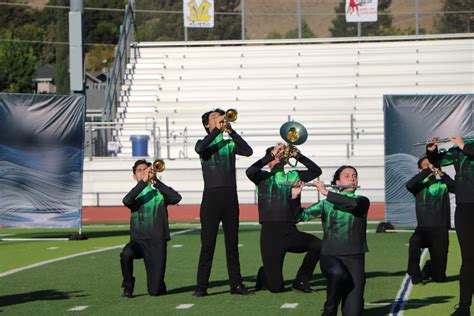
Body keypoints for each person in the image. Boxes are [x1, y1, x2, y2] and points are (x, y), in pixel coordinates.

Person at [290, 166, 370, 316]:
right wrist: (295, 196)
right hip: (330, 255)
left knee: (353, 313)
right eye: (347, 176)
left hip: (355, 258)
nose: (352, 178)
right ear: (338, 182)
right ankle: (329, 311)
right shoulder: (326, 204)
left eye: (354, 175)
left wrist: (327, 193)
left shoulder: (362, 201)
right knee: (338, 273)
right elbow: (299, 217)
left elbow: (352, 205)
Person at [246, 143, 322, 293]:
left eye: (281, 155)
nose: (278, 158)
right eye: (275, 157)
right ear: (268, 161)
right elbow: (250, 171)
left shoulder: (293, 176)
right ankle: (264, 273)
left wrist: (298, 156)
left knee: (319, 245)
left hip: (290, 231)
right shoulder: (261, 177)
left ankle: (301, 281)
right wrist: (272, 154)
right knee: (275, 288)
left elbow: (316, 171)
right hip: (270, 235)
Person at [193, 108, 253, 297]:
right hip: (211, 198)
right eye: (214, 117)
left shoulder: (229, 144)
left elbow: (248, 151)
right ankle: (201, 286)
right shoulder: (203, 143)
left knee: (232, 243)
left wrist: (231, 131)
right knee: (208, 244)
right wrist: (218, 130)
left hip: (230, 197)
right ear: (206, 124)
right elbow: (200, 149)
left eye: (220, 116)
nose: (219, 118)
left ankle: (236, 284)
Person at [119, 159, 182, 298]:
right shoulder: (135, 193)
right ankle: (128, 285)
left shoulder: (159, 192)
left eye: (145, 170)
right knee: (125, 254)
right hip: (138, 241)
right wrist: (142, 183)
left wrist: (155, 182)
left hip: (157, 242)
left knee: (155, 291)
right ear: (134, 176)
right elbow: (126, 200)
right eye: (139, 171)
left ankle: (159, 284)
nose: (143, 173)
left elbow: (176, 198)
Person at [426, 135, 474, 316]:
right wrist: (432, 151)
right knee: (469, 260)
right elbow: (438, 161)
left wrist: (462, 144)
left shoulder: (465, 146)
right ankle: (464, 308)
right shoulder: (459, 150)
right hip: (465, 209)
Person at [405, 156, 455, 285]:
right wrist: (427, 171)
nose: (430, 167)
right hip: (423, 229)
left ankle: (429, 267)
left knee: (439, 278)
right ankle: (415, 273)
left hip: (440, 230)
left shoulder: (442, 184)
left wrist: (441, 173)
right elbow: (409, 184)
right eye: (426, 165)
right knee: (414, 241)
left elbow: (455, 187)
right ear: (420, 170)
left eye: (432, 165)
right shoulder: (418, 186)